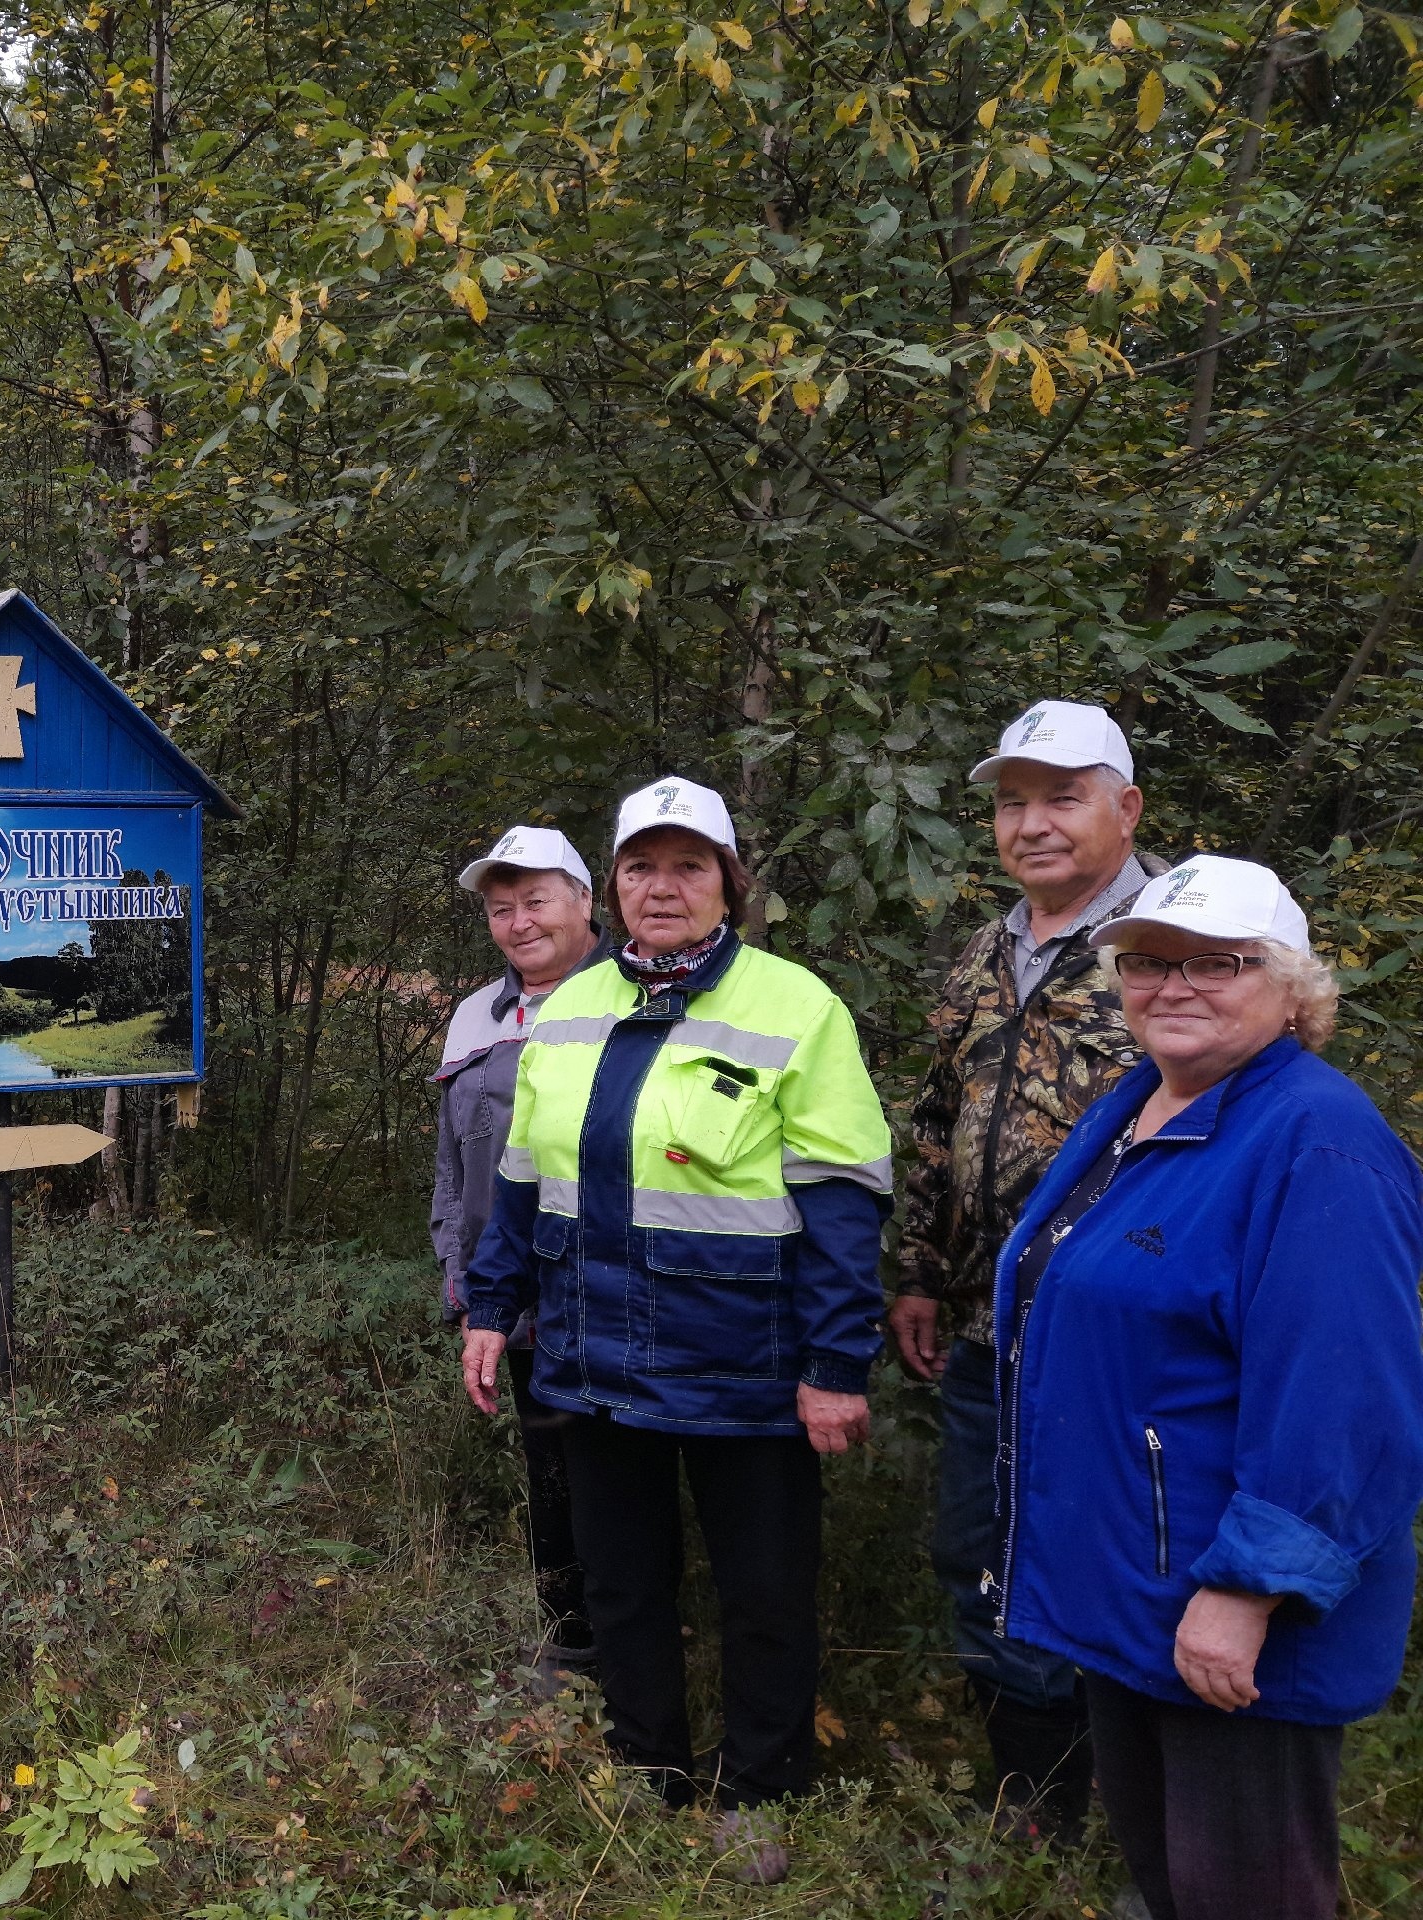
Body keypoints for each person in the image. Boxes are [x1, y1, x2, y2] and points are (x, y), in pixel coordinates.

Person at [463, 776, 893, 1883]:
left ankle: (759, 1792)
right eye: (642, 866)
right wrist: (491, 1303)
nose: (663, 886)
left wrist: (835, 1363)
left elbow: (842, 1200)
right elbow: (522, 1175)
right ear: (613, 886)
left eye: (688, 865)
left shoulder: (796, 1007)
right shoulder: (562, 1007)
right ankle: (648, 1773)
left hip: (745, 1363)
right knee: (621, 1586)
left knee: (762, 1594)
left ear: (729, 885)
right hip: (590, 1358)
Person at [994, 855, 1423, 1920]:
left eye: (1215, 962)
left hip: (1226, 1613)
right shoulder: (1142, 1103)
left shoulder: (1316, 1141)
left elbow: (1347, 1398)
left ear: (1291, 988)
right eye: (1147, 961)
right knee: (1168, 1880)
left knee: (1247, 1894)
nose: (1172, 985)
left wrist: (1245, 1593)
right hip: (1135, 1589)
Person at [888, 699, 1161, 1838]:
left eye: (1062, 795)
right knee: (982, 1551)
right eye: (1012, 801)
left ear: (1125, 807)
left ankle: (1139, 1805)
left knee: (1109, 1554)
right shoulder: (986, 949)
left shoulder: (1177, 946)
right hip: (986, 1327)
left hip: (1119, 1338)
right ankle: (1034, 1803)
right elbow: (941, 1121)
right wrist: (916, 1269)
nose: (1033, 823)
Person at [431, 826, 602, 1695]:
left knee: (621, 1474)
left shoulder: (627, 997)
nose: (519, 922)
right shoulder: (475, 1017)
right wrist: (464, 1288)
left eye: (536, 900)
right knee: (550, 1472)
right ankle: (571, 1648)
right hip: (511, 1298)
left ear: (582, 899)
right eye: (502, 909)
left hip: (608, 1291)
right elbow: (452, 1167)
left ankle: (642, 1648)